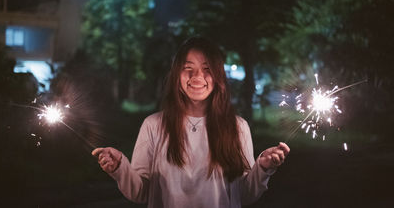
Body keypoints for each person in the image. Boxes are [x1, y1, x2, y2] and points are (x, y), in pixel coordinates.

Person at [92, 37, 290, 208]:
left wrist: (263, 167)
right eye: (188, 68)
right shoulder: (153, 126)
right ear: (177, 74)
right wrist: (120, 167)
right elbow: (141, 192)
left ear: (218, 76)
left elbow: (244, 195)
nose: (197, 77)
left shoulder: (237, 127)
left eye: (207, 69)